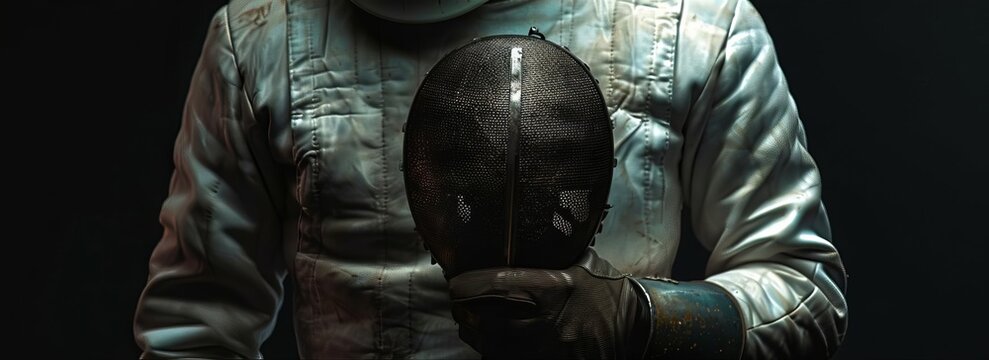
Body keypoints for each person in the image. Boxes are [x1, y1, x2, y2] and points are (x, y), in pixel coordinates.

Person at [133, 0, 849, 358]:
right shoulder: (262, 35)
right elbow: (191, 333)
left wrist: (633, 318)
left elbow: (805, 296)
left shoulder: (694, 22)